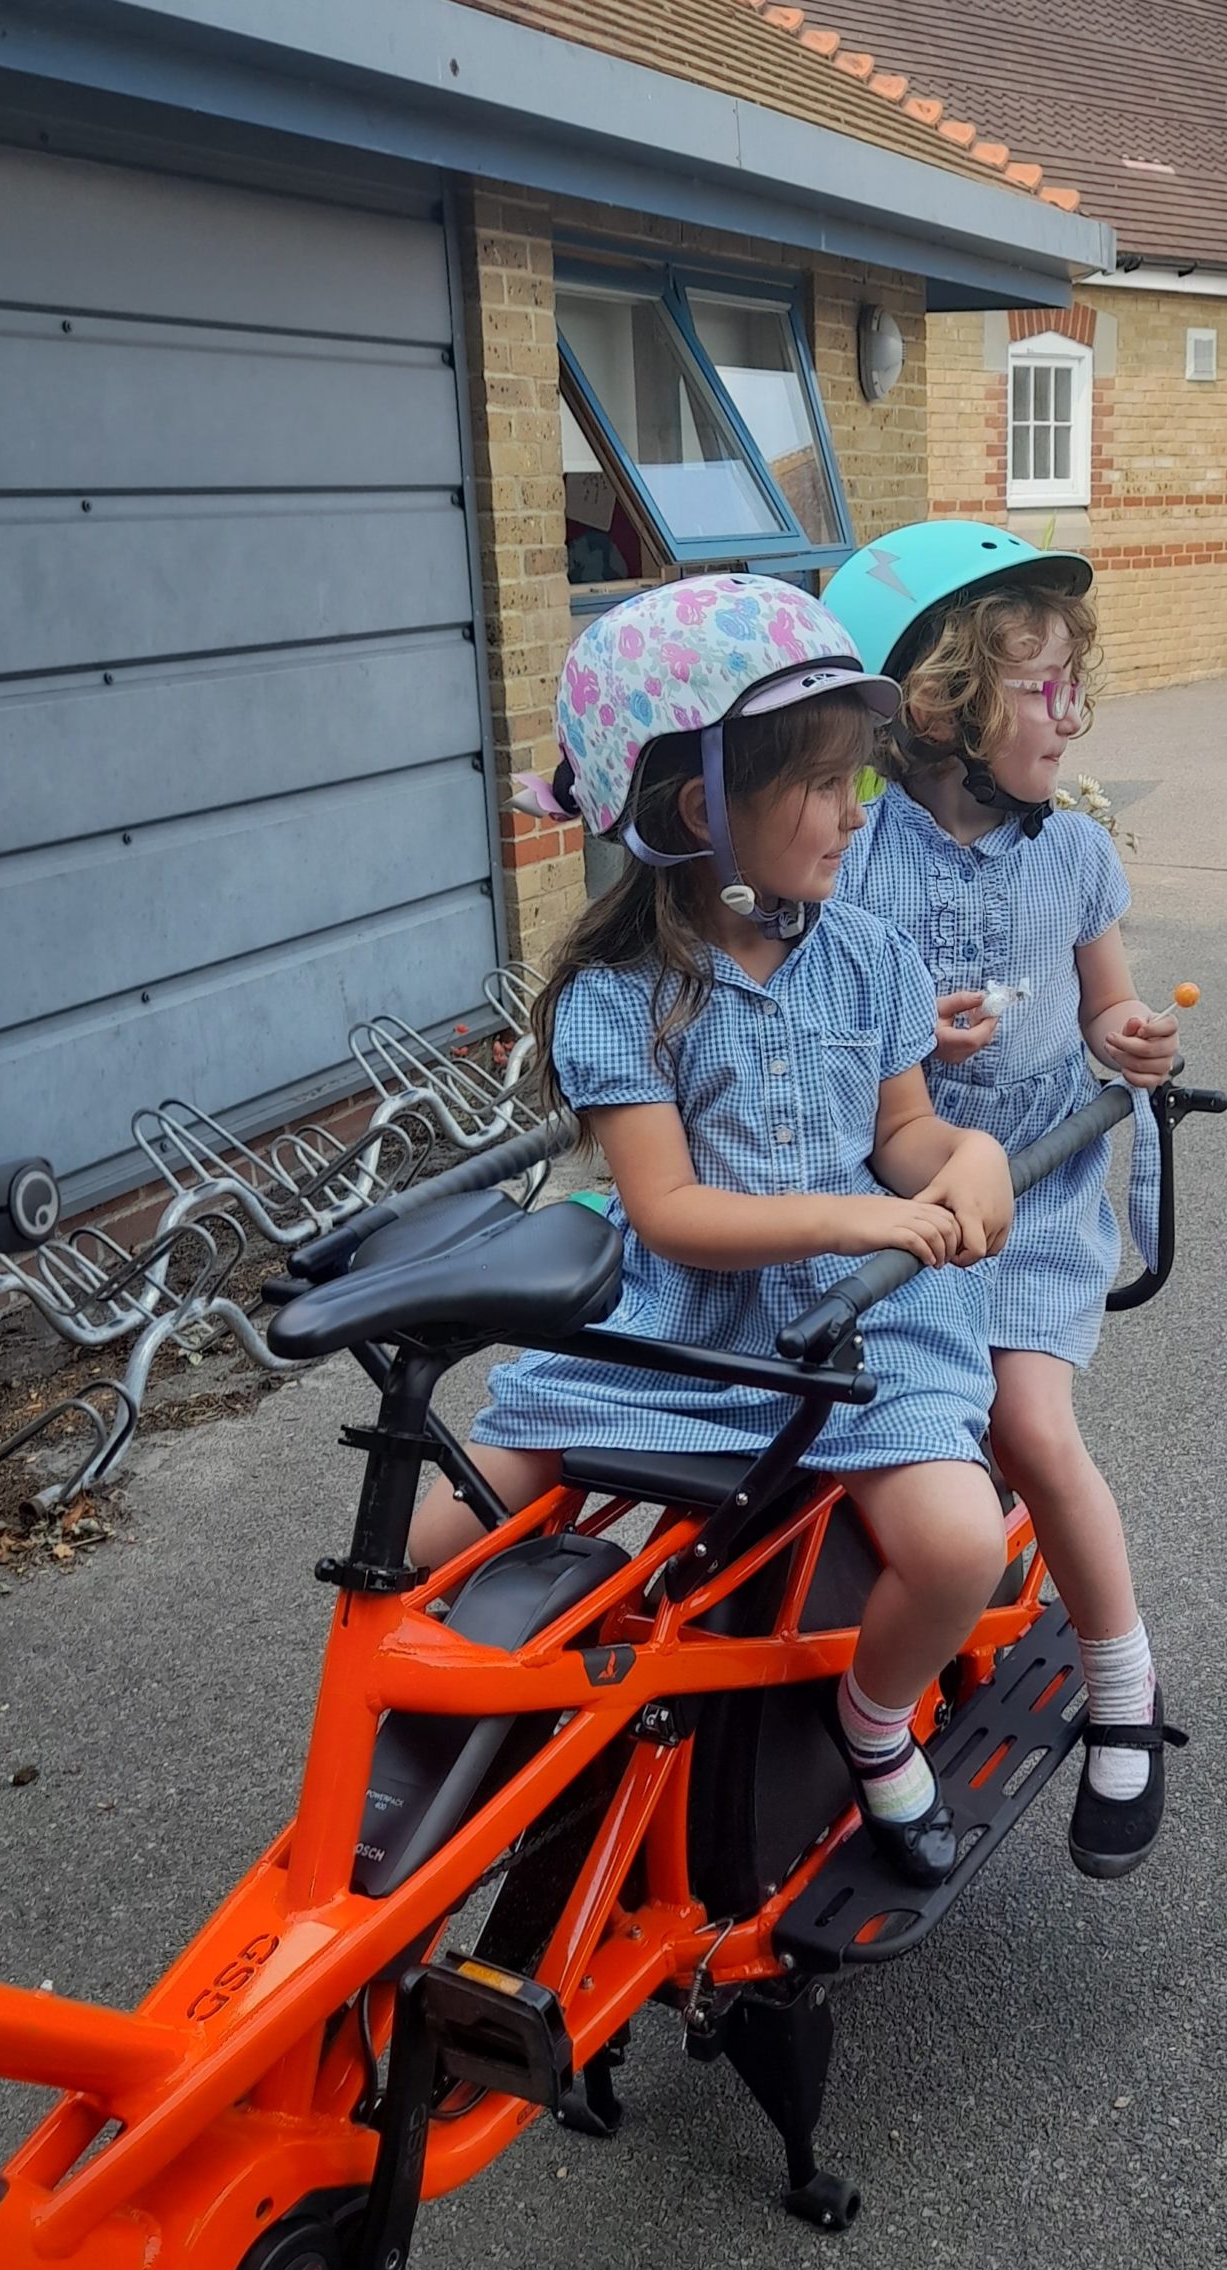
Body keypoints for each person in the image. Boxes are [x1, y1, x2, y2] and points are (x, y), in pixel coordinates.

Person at [409, 575, 1016, 1885]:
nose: (854, 813)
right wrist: (871, 1207)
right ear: (704, 813)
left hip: (855, 1325)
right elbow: (669, 1214)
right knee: (428, 1546)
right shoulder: (623, 997)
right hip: (683, 1321)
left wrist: (967, 1156)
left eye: (858, 779)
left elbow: (905, 1133)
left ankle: (871, 1720)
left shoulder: (870, 958)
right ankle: (492, 1752)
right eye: (821, 784)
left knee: (961, 1545)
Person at [824, 522, 1187, 1882]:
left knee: (1029, 1422)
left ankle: (1122, 1688)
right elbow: (823, 1018)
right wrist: (903, 1031)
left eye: (1072, 687)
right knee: (855, 1430)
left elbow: (1110, 1013)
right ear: (944, 708)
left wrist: (1138, 1040)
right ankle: (888, 1637)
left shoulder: (1077, 857)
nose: (1072, 715)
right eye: (1043, 689)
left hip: (1033, 1194)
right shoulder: (857, 855)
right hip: (895, 1192)